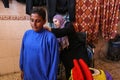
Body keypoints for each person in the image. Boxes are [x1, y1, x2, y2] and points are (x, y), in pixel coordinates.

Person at [44, 14, 90, 79]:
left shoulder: (68, 25)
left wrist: (51, 30)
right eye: (54, 22)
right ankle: (70, 77)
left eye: (56, 21)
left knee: (80, 65)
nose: (55, 24)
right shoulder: (58, 30)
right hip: (66, 51)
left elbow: (64, 31)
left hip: (76, 48)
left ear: (60, 19)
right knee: (66, 64)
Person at [19, 7, 59, 80]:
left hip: (43, 76)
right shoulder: (27, 34)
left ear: (44, 21)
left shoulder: (50, 38)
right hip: (28, 74)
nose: (34, 24)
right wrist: (22, 69)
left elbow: (54, 61)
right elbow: (22, 53)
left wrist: (52, 78)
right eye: (32, 20)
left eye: (38, 21)